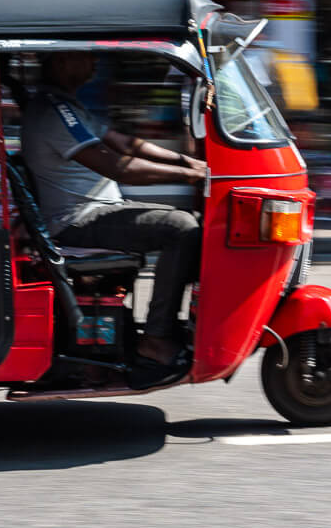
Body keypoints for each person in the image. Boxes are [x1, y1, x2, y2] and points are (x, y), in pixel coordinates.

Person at [20, 52, 207, 366]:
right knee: (181, 227)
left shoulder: (67, 106)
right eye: (87, 57)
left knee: (197, 224)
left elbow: (125, 143)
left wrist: (186, 161)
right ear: (62, 62)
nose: (94, 63)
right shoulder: (53, 111)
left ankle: (172, 325)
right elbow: (117, 166)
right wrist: (189, 175)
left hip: (97, 210)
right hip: (76, 220)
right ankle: (156, 338)